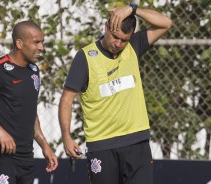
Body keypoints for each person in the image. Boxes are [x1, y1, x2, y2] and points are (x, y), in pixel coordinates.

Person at [59, 2, 172, 184]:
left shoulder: (134, 46)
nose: (118, 44)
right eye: (114, 36)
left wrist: (133, 9)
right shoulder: (86, 57)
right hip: (102, 145)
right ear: (106, 26)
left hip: (137, 142)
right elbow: (67, 98)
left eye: (124, 40)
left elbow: (165, 23)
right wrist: (66, 136)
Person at [0, 20, 58, 184]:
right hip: (0, 155)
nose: (41, 47)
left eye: (42, 42)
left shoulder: (33, 70)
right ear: (19, 43)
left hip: (26, 156)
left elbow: (29, 111)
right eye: (36, 42)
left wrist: (44, 145)